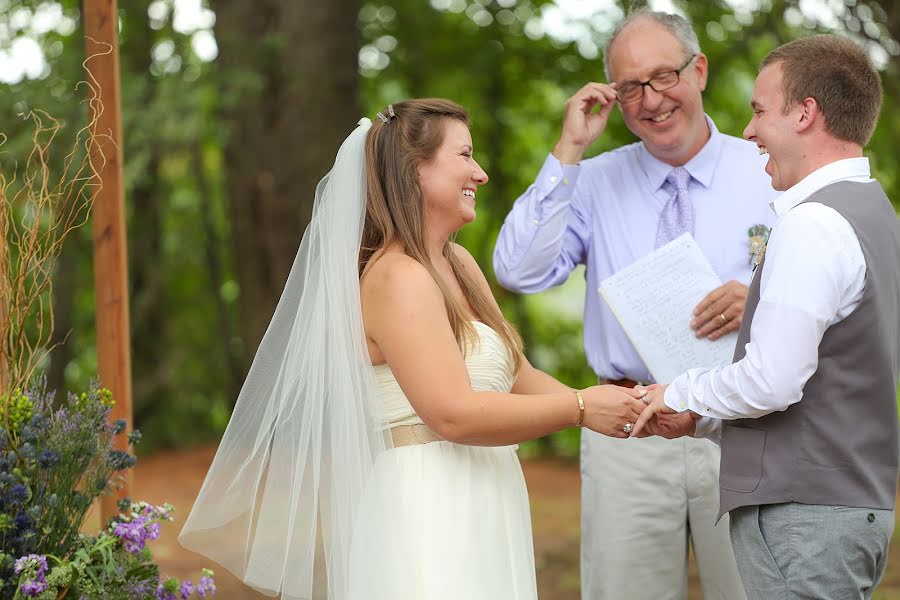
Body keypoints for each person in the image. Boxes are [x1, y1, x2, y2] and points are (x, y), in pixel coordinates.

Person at [179, 99, 648, 600]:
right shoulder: (396, 277)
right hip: (429, 502)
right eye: (465, 156)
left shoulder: (459, 262)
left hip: (488, 490)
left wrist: (628, 408)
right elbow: (451, 415)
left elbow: (518, 375)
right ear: (414, 170)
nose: (480, 173)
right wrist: (580, 409)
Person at [493, 10, 778, 600]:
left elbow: (838, 288)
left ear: (698, 70)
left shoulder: (769, 170)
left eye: (663, 77)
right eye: (630, 87)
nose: (651, 100)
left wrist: (763, 300)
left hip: (746, 422)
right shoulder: (591, 181)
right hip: (629, 426)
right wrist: (568, 149)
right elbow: (517, 270)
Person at [633, 34, 900, 600]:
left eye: (759, 110)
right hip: (850, 505)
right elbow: (831, 379)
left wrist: (680, 394)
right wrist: (703, 419)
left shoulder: (814, 224)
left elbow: (774, 381)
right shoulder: (877, 214)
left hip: (802, 519)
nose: (749, 131)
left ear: (806, 114)